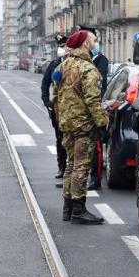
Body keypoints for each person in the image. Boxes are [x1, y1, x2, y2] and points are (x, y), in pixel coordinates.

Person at [53, 30, 109, 225]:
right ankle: (79, 209)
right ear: (85, 44)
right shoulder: (87, 68)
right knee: (81, 166)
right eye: (93, 40)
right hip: (83, 125)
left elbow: (56, 98)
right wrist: (102, 124)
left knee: (70, 164)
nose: (96, 42)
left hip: (67, 123)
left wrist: (61, 119)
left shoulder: (63, 65)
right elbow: (93, 100)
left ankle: (67, 208)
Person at [78, 24, 108, 191]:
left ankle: (95, 178)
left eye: (95, 40)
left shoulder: (100, 60)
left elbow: (99, 86)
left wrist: (101, 122)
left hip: (95, 107)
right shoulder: (79, 62)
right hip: (81, 114)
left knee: (95, 148)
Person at [41, 34, 67, 185]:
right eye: (60, 46)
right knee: (59, 140)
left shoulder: (74, 64)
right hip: (57, 110)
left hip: (72, 111)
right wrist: (47, 103)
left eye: (64, 46)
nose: (61, 49)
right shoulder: (53, 65)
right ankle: (61, 168)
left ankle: (71, 169)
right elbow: (45, 85)